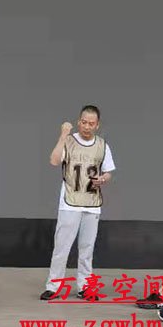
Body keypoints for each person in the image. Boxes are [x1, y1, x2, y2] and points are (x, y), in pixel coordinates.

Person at [41, 105, 115, 301]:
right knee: (61, 247)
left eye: (91, 123)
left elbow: (108, 171)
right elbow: (54, 161)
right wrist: (63, 135)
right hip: (70, 202)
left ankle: (85, 287)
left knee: (87, 248)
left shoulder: (102, 145)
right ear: (78, 122)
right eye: (84, 122)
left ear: (97, 125)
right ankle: (53, 286)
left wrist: (103, 179)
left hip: (92, 203)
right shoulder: (69, 141)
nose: (87, 127)